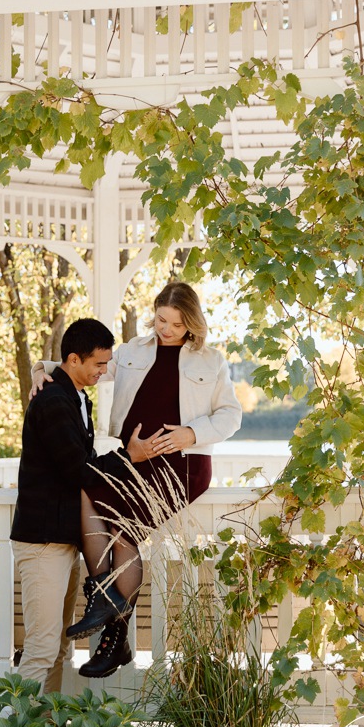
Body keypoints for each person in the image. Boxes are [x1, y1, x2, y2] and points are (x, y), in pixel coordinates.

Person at [30, 281, 242, 678]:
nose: (166, 330)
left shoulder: (211, 361)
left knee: (123, 532)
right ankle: (110, 615)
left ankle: (110, 624)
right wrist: (42, 369)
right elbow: (84, 366)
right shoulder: (130, 352)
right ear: (155, 312)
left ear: (191, 324)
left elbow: (231, 416)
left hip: (183, 466)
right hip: (134, 460)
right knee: (89, 493)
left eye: (177, 325)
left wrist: (191, 434)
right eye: (162, 319)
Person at [9, 317, 156, 693]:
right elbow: (78, 469)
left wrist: (44, 367)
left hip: (63, 538)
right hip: (42, 542)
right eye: (98, 364)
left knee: (58, 649)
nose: (104, 372)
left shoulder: (73, 395)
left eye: (107, 363)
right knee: (42, 649)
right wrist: (129, 457)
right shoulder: (54, 401)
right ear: (73, 360)